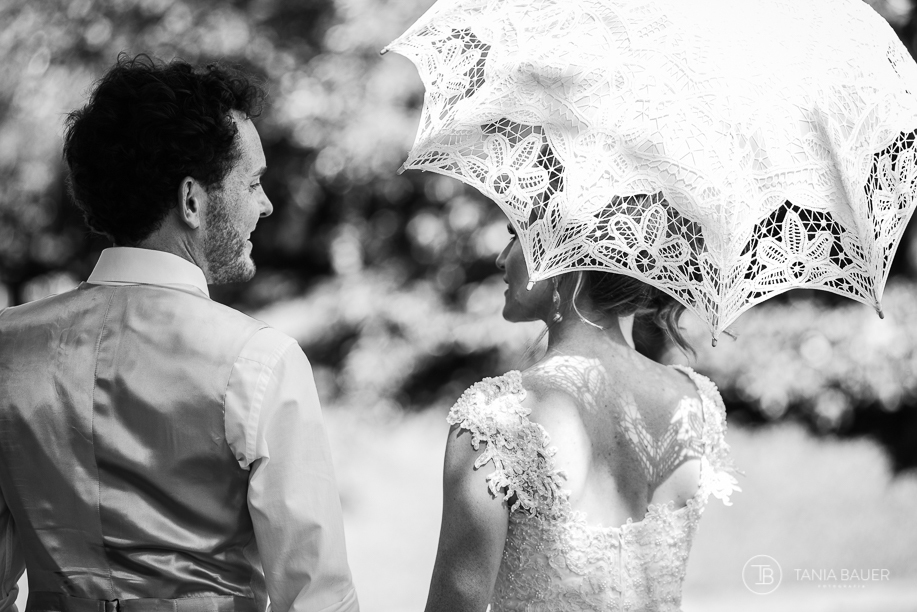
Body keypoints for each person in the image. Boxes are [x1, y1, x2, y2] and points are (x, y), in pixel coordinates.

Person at [0, 54, 358, 612]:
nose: (266, 205)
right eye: (253, 182)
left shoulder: (7, 347)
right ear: (192, 200)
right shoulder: (259, 360)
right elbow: (317, 599)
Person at [422, 219, 739, 611]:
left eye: (516, 235)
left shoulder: (495, 420)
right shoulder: (696, 403)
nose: (502, 258)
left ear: (566, 255)